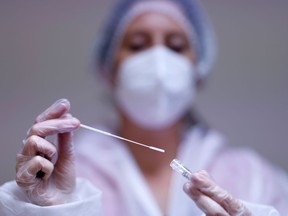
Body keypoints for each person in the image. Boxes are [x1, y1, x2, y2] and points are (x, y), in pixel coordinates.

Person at [0, 0, 288, 215]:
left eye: (176, 46)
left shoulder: (253, 177)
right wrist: (47, 210)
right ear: (109, 69)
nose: (159, 62)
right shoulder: (67, 179)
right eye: (138, 45)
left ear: (197, 70)